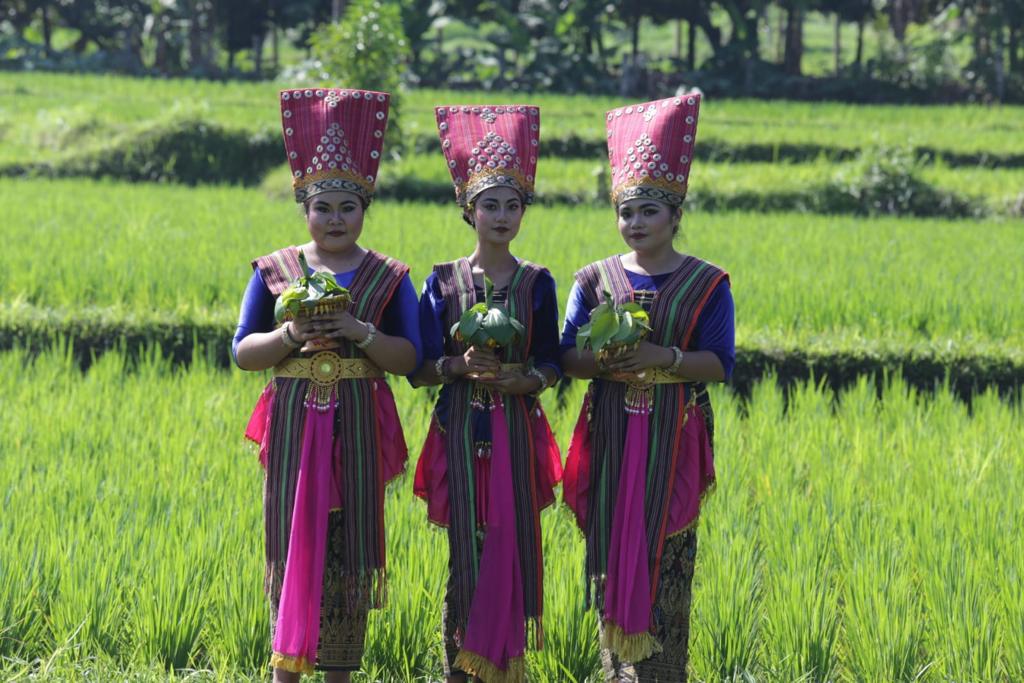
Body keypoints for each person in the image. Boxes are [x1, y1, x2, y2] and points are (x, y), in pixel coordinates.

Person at [234, 88, 422, 682]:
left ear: (365, 208)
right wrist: (291, 335)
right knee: (292, 543)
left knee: (347, 548)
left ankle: (341, 671)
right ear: (304, 209)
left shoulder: (389, 276)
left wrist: (359, 331)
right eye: (324, 207)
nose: (335, 218)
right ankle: (284, 671)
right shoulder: (275, 271)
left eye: (348, 206)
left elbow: (410, 358)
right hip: (293, 430)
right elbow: (243, 351)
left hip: (357, 428)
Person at [560, 93, 734, 682]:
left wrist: (665, 357)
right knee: (612, 558)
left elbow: (720, 362)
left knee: (669, 558)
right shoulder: (595, 279)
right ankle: (616, 674)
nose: (635, 224)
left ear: (674, 215)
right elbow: (566, 355)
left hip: (674, 439)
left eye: (648, 213)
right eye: (626, 212)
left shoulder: (707, 283)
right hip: (610, 434)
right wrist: (603, 362)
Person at [410, 105, 562, 683]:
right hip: (459, 430)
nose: (501, 215)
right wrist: (457, 364)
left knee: (513, 547)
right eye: (489, 204)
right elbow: (419, 368)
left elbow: (553, 360)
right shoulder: (443, 281)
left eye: (512, 204)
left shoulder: (537, 282)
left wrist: (530, 379)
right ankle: (461, 669)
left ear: (524, 209)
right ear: (467, 210)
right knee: (464, 556)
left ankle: (506, 670)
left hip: (518, 434)